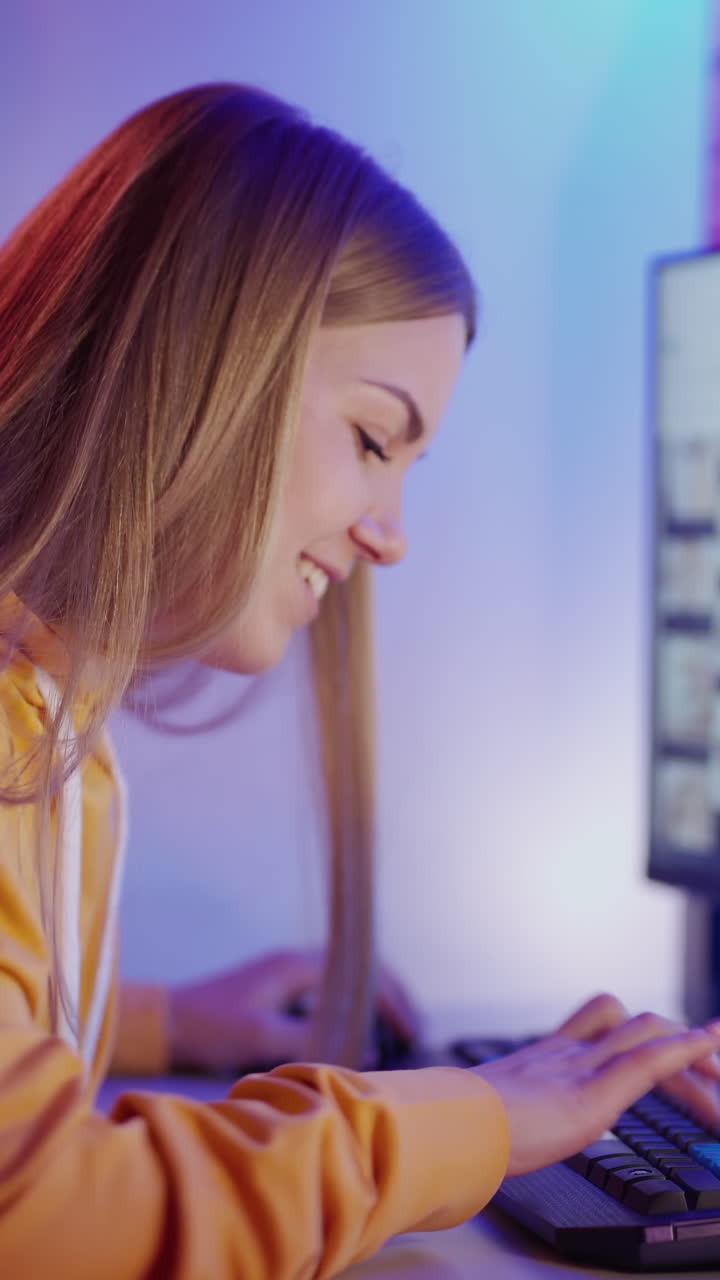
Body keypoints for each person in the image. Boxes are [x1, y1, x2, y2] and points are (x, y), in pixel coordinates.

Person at [1, 82, 720, 1280]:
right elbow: (36, 1207)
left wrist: (166, 1017)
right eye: (376, 439)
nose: (390, 532)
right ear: (202, 361)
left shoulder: (53, 724)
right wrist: (475, 1118)